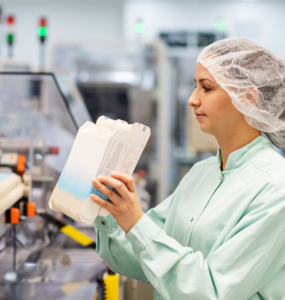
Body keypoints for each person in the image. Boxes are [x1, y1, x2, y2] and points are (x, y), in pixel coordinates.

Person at [90, 38, 285, 300]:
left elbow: (212, 290)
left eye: (206, 88)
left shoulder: (275, 188)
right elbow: (144, 260)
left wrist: (136, 222)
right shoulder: (201, 173)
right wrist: (110, 211)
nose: (193, 99)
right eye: (195, 86)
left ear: (248, 98)